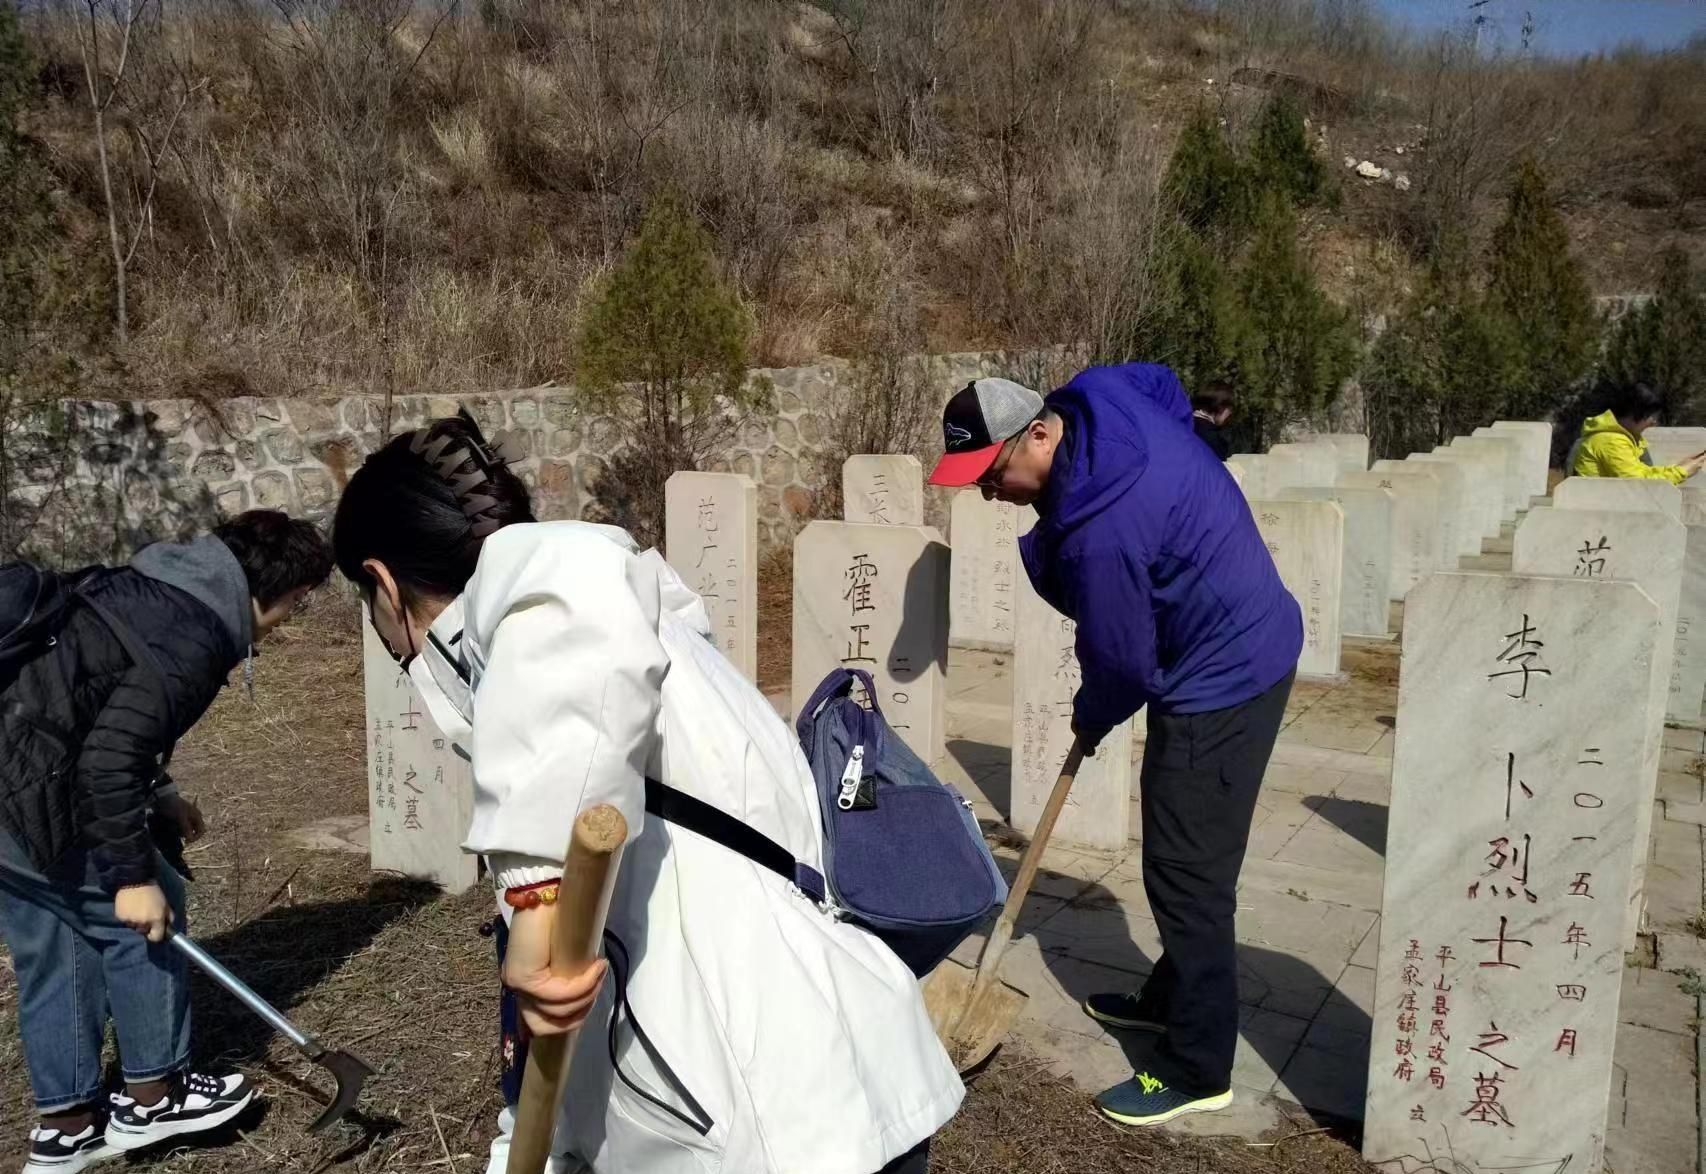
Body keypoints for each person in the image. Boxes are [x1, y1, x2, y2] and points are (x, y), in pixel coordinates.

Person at [332, 415, 961, 1174]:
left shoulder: (558, 582)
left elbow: (562, 583)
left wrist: (532, 898)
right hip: (833, 1088)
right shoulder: (642, 661)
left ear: (383, 583)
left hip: (770, 1126)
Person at [927, 369, 1302, 1128]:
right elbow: (1163, 386)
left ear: (1038, 434)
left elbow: (1123, 666)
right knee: (1182, 848)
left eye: (993, 473)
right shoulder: (1097, 395)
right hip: (1222, 633)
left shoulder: (1104, 530)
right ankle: (1170, 996)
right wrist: (1189, 480)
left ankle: (1197, 1066)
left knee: (1187, 870)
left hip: (1226, 672)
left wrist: (1089, 717)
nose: (990, 493)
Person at [0, 510, 332, 1173]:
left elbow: (95, 704)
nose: (290, 618)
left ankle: (67, 1126)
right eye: (298, 602)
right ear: (276, 591)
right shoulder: (196, 633)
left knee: (56, 939)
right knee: (147, 916)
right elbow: (107, 760)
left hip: (11, 783)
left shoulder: (150, 587)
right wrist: (132, 878)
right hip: (28, 785)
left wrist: (162, 793)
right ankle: (156, 1094)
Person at [1571, 382, 1706, 482]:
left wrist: (1679, 467)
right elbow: (1639, 484)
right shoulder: (1610, 441)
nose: (1653, 422)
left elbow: (1642, 472)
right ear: (1633, 414)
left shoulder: (1619, 437)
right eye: (1650, 416)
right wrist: (1682, 472)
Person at [1190, 381, 1235, 461]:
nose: (1229, 413)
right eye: (1230, 409)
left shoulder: (1182, 424)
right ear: (1221, 407)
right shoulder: (1213, 440)